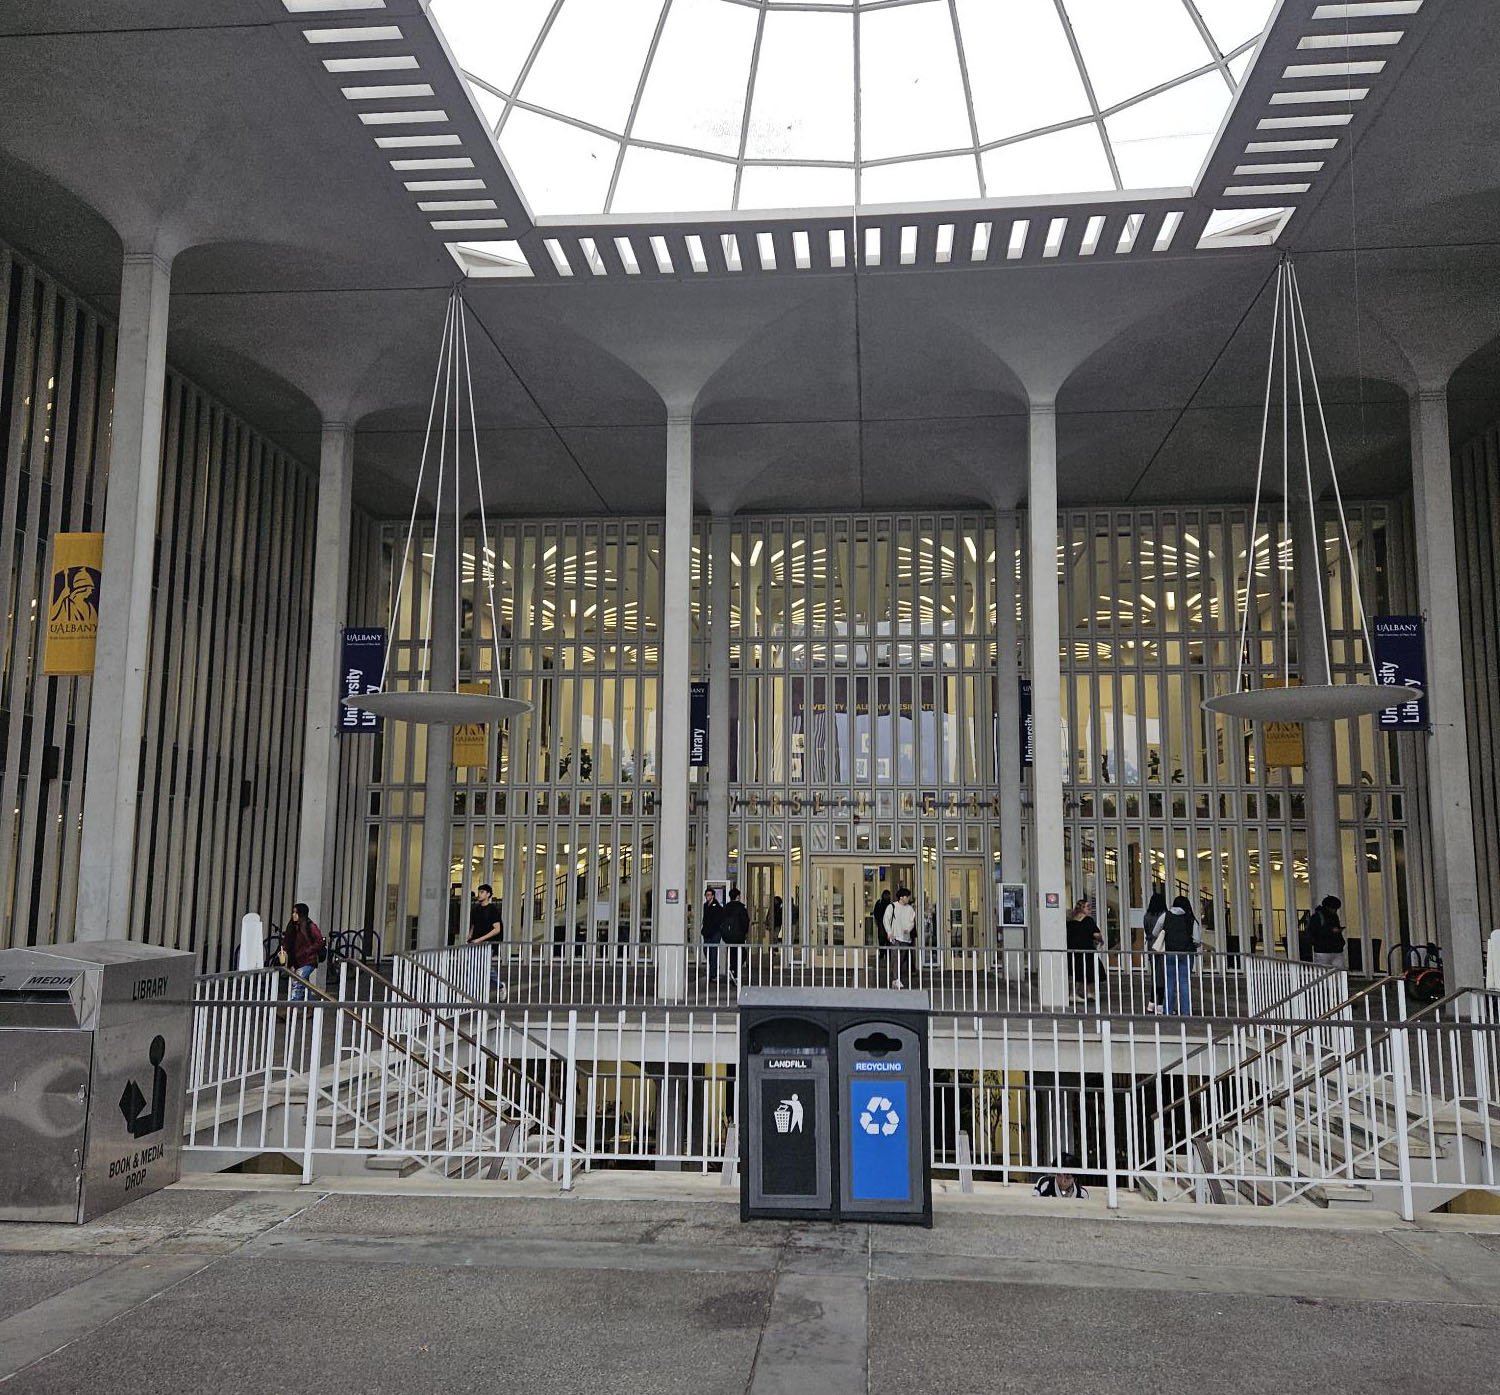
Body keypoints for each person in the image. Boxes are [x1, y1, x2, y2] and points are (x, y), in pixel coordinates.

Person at [1161, 894, 1200, 1014]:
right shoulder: (1190, 918)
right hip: (1186, 953)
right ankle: (1185, 1012)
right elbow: (1197, 939)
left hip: (1169, 952)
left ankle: (1167, 1010)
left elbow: (1155, 930)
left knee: (1169, 982)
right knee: (1184, 983)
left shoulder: (1165, 915)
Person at [467, 883, 507, 999]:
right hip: (476, 942)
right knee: (474, 967)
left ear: (488, 894)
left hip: (489, 944)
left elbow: (497, 929)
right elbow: (473, 925)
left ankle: (499, 985)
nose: (479, 894)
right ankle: (473, 993)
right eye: (479, 892)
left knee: (485, 967)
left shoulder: (492, 910)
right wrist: (470, 936)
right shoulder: (476, 910)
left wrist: (480, 939)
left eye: (482, 892)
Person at [282, 903, 322, 1002]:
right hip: (298, 960)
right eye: (293, 912)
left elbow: (319, 941)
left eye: (297, 912)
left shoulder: (310, 926)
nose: (294, 915)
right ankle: (310, 1005)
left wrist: (308, 950)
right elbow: (288, 942)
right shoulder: (292, 927)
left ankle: (292, 1006)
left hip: (308, 960)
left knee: (298, 982)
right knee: (305, 983)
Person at [1066, 898, 1101, 1003]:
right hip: (1086, 948)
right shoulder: (1088, 920)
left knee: (1080, 971)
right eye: (1087, 907)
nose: (1090, 909)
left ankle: (1087, 992)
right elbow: (1096, 934)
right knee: (1088, 970)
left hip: (1073, 949)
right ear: (1082, 909)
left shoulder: (1071, 922)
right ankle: (1076, 993)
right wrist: (1101, 940)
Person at [1143, 889, 1169, 1013]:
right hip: (1162, 946)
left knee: (1155, 974)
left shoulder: (1147, 916)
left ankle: (1152, 1002)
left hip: (1151, 946)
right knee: (1162, 976)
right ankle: (1159, 1003)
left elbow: (1147, 931)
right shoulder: (1164, 915)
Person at [886, 886, 917, 989]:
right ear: (901, 897)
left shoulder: (910, 909)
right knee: (896, 958)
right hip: (895, 937)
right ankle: (896, 979)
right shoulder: (892, 907)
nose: (908, 898)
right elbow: (886, 920)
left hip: (905, 938)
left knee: (901, 959)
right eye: (907, 897)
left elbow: (912, 922)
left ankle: (895, 978)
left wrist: (908, 929)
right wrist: (889, 932)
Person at [721, 887, 751, 985]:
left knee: (732, 954)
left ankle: (733, 971)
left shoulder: (725, 908)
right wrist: (744, 932)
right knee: (742, 954)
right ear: (738, 896)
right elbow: (745, 922)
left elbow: (721, 922)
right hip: (739, 936)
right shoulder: (741, 908)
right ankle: (734, 972)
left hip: (728, 936)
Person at [1308, 895, 1346, 969]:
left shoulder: (1332, 916)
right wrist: (1332, 931)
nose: (1335, 910)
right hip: (1325, 949)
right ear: (1328, 907)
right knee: (1334, 972)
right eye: (1334, 908)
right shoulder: (1318, 917)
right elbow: (1315, 932)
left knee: (1325, 972)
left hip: (1327, 949)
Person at [700, 886, 724, 978]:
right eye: (706, 895)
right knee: (707, 951)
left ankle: (713, 973)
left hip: (715, 933)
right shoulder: (705, 906)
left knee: (713, 953)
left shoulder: (717, 907)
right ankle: (712, 970)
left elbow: (717, 920)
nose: (707, 896)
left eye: (709, 895)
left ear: (713, 896)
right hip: (707, 933)